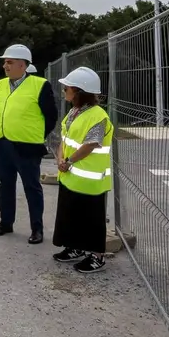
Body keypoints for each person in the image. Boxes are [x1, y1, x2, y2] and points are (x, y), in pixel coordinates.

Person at [0, 44, 58, 245]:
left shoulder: (40, 85)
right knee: (5, 185)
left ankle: (37, 228)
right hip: (2, 144)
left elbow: (51, 116)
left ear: (22, 65)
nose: (5, 66)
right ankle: (6, 222)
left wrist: (36, 134)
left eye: (9, 62)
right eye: (5, 62)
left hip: (27, 147)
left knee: (32, 187)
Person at [52, 66, 113, 273]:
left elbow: (91, 144)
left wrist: (67, 161)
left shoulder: (98, 116)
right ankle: (75, 248)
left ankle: (97, 256)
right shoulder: (73, 112)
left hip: (90, 180)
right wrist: (61, 158)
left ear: (79, 91)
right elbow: (65, 138)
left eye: (67, 88)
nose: (64, 92)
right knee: (71, 214)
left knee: (91, 218)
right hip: (70, 176)